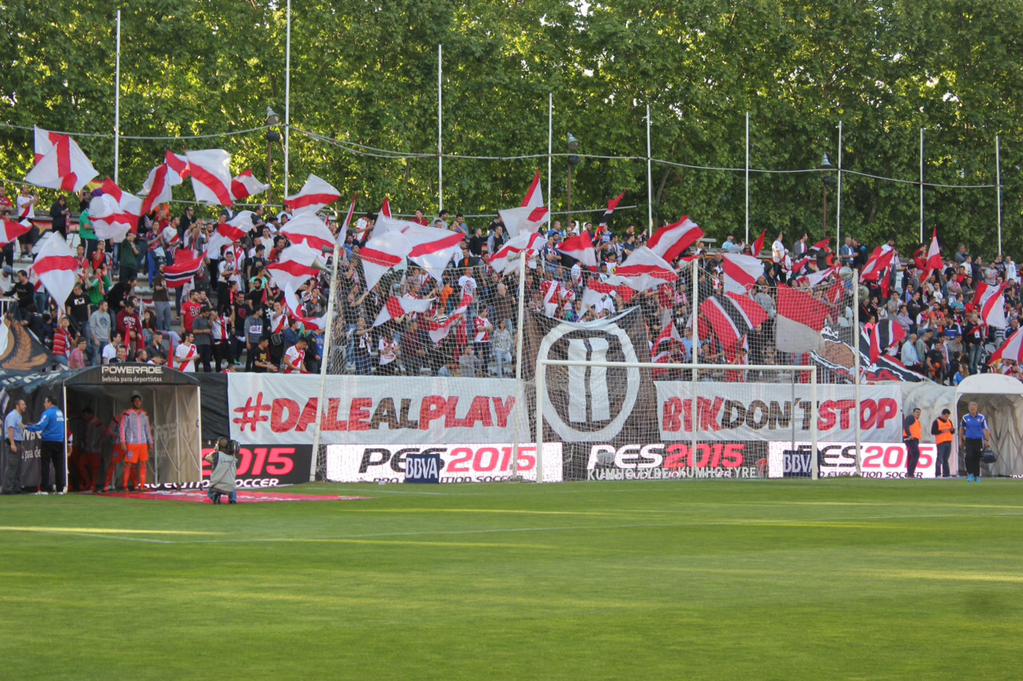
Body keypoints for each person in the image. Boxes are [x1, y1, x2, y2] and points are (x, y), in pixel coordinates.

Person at [25, 396, 66, 495]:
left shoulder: (47, 413)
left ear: (50, 403)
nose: (44, 404)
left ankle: (44, 489)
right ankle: (60, 489)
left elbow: (40, 426)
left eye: (45, 402)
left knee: (45, 465)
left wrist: (27, 427)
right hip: (59, 442)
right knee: (59, 466)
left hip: (48, 442)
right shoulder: (60, 413)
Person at [119, 393, 154, 492]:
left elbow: (147, 429)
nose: (138, 403)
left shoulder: (144, 414)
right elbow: (122, 428)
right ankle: (125, 485)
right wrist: (123, 442)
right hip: (132, 443)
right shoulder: (127, 414)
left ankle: (142, 485)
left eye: (139, 401)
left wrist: (150, 442)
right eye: (136, 401)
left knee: (143, 463)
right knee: (129, 464)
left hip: (143, 443)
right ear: (132, 403)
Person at [960, 401, 990, 484]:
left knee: (977, 458)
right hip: (969, 440)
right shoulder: (965, 417)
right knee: (969, 456)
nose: (972, 409)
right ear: (968, 408)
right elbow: (962, 429)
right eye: (971, 407)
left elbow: (985, 429)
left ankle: (976, 476)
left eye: (974, 407)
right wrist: (961, 440)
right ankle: (970, 474)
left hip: (978, 440)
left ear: (976, 408)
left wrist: (987, 440)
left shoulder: (981, 417)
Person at [2, 399, 27, 495]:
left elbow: (18, 430)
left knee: (18, 467)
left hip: (18, 442)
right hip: (13, 442)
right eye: (23, 404)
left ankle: (16, 488)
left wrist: (21, 444)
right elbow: (11, 429)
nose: (25, 406)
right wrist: (12, 443)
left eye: (25, 404)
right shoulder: (13, 415)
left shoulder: (19, 416)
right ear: (17, 406)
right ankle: (7, 489)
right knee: (12, 466)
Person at [205, 437, 239, 504]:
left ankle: (215, 498)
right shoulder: (233, 458)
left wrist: (215, 450)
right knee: (233, 487)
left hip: (217, 485)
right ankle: (232, 500)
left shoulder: (217, 455)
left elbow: (207, 458)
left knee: (212, 489)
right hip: (230, 486)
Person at [930, 408, 956, 479]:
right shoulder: (936, 421)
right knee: (939, 459)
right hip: (941, 442)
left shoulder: (949, 421)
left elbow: (952, 432)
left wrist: (952, 430)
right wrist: (942, 431)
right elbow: (933, 431)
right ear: (942, 415)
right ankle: (938, 474)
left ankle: (946, 474)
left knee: (946, 459)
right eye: (946, 416)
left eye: (948, 416)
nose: (947, 417)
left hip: (948, 442)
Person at [902, 407, 922, 478]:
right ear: (913, 413)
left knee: (911, 456)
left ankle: (909, 473)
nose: (918, 414)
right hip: (910, 439)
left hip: (913, 439)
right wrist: (909, 435)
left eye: (919, 413)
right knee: (916, 454)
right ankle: (910, 473)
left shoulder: (916, 420)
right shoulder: (911, 417)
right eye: (917, 412)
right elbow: (906, 426)